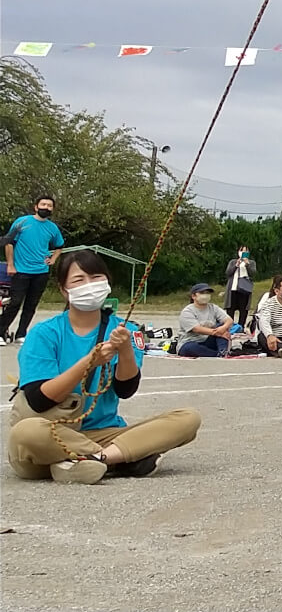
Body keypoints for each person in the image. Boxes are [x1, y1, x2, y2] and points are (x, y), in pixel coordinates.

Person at [7, 250, 201, 484]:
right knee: (26, 432)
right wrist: (89, 362)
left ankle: (94, 460)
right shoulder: (44, 333)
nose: (89, 285)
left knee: (187, 419)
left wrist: (126, 350)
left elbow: (126, 389)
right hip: (54, 431)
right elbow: (40, 399)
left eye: (96, 277)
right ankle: (118, 459)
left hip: (105, 434)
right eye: (79, 280)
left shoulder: (125, 329)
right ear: (63, 290)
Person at [1, 195, 64, 343]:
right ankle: (0, 331)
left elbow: (59, 246)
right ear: (36, 207)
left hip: (41, 272)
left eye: (49, 206)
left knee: (31, 304)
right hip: (21, 270)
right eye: (43, 204)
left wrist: (53, 259)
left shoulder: (52, 228)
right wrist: (10, 264)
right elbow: (9, 243)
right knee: (14, 303)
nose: (46, 208)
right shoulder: (22, 222)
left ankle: (21, 334)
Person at [175, 283, 233, 357]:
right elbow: (196, 329)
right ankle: (216, 354)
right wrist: (216, 332)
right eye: (202, 293)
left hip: (208, 340)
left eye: (207, 293)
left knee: (223, 326)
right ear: (193, 296)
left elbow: (229, 320)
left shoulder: (213, 308)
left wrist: (223, 328)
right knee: (189, 348)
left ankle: (223, 351)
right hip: (190, 341)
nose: (205, 295)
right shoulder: (187, 311)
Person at [222, 242, 257, 329]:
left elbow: (253, 273)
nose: (244, 252)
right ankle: (230, 327)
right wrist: (236, 265)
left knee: (243, 309)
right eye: (242, 250)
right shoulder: (233, 261)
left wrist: (247, 264)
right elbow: (228, 273)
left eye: (246, 250)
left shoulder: (251, 262)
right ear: (238, 251)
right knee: (230, 308)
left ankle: (240, 327)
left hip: (245, 289)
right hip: (233, 288)